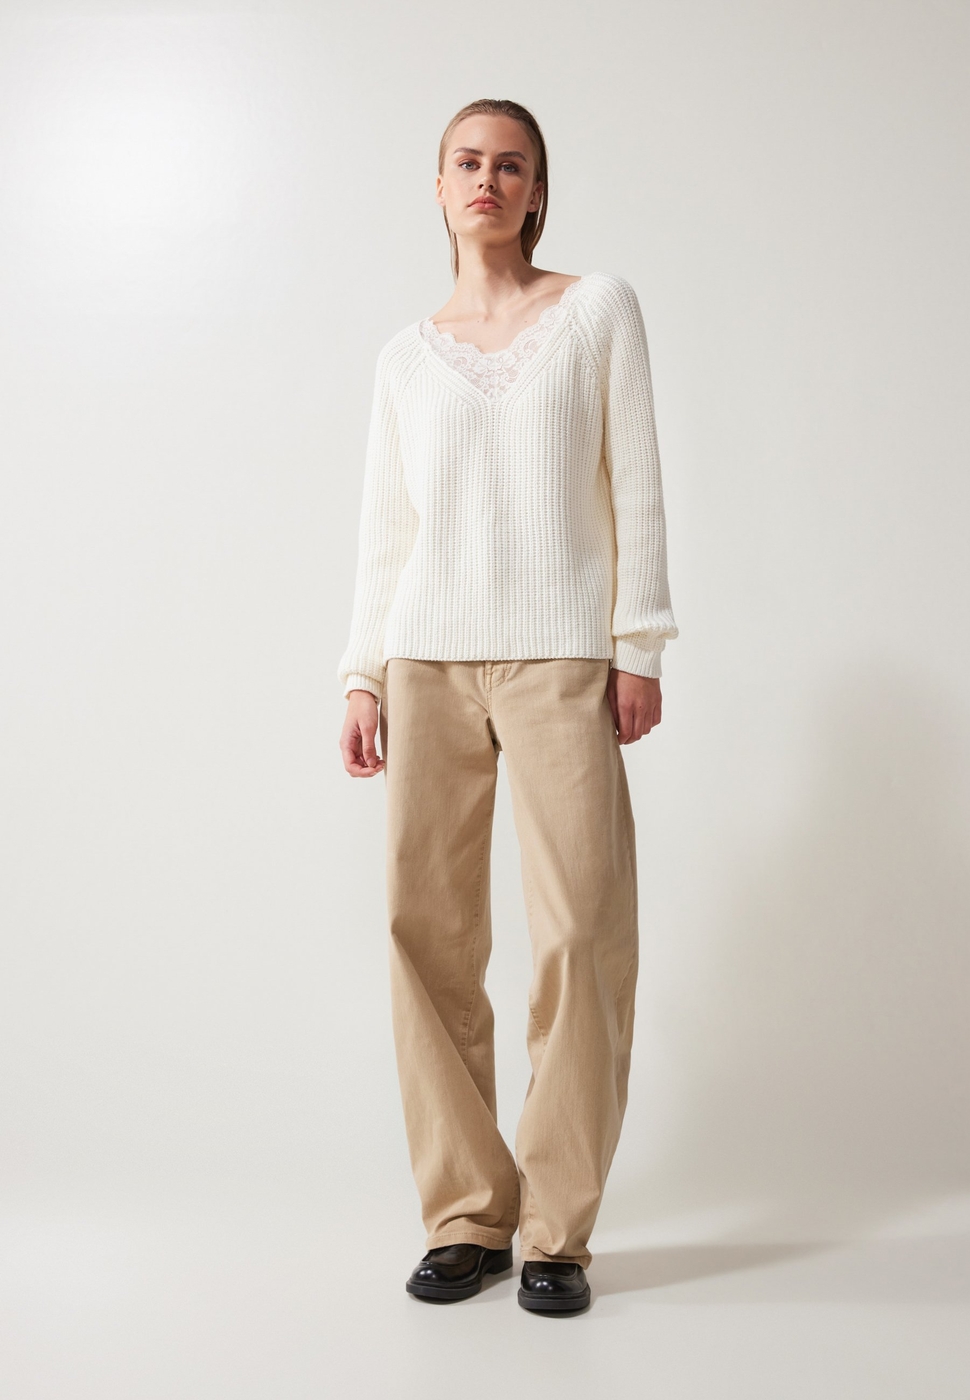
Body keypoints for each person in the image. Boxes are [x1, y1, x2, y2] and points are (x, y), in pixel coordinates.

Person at [337, 98, 678, 1315]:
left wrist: (637, 641)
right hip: (426, 661)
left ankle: (556, 1230)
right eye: (467, 162)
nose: (488, 179)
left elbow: (633, 482)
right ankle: (467, 1213)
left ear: (538, 191)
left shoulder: (597, 311)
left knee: (582, 930)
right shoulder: (403, 357)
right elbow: (388, 531)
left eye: (511, 165)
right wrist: (363, 671)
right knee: (424, 935)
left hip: (560, 657)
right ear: (438, 187)